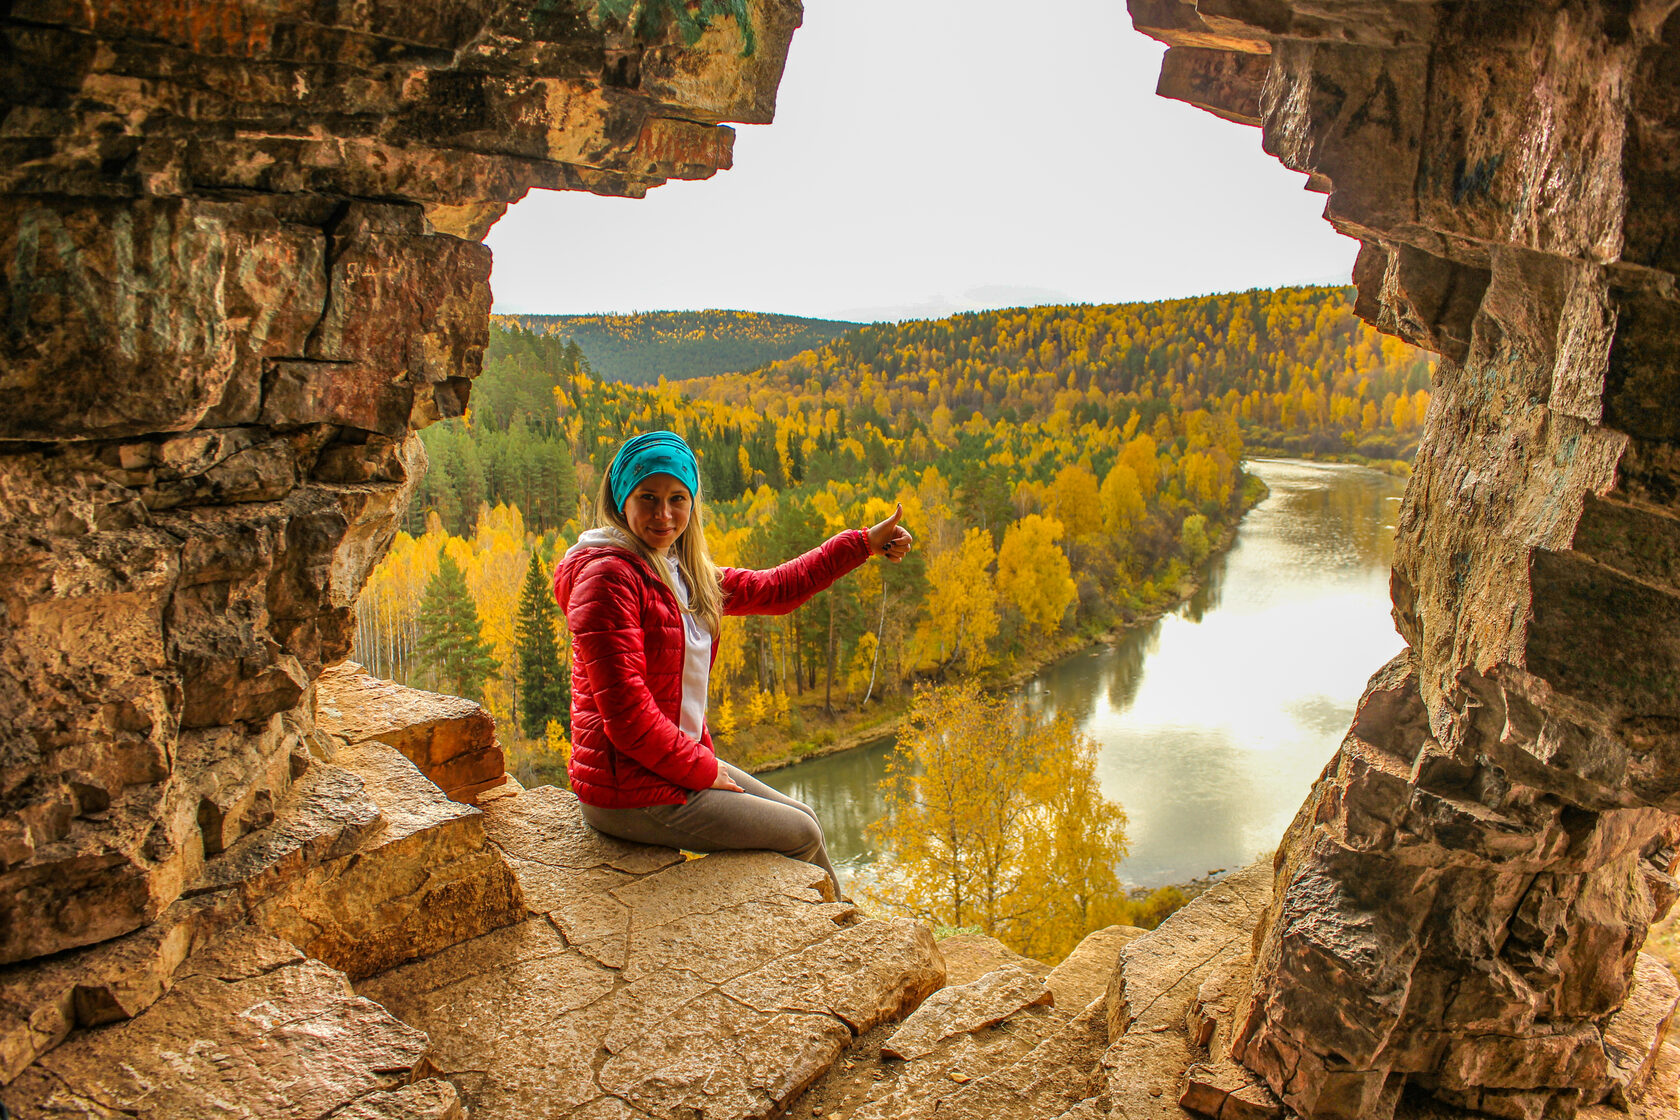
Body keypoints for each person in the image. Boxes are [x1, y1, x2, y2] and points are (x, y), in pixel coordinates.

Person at [552, 430, 912, 898]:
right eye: (648, 498)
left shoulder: (675, 570)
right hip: (629, 792)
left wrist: (862, 544)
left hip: (663, 768)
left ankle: (841, 927)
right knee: (799, 835)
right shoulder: (607, 578)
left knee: (807, 819)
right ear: (622, 501)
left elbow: (776, 589)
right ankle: (835, 935)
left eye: (677, 498)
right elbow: (628, 720)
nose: (664, 514)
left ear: (693, 503)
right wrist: (701, 770)